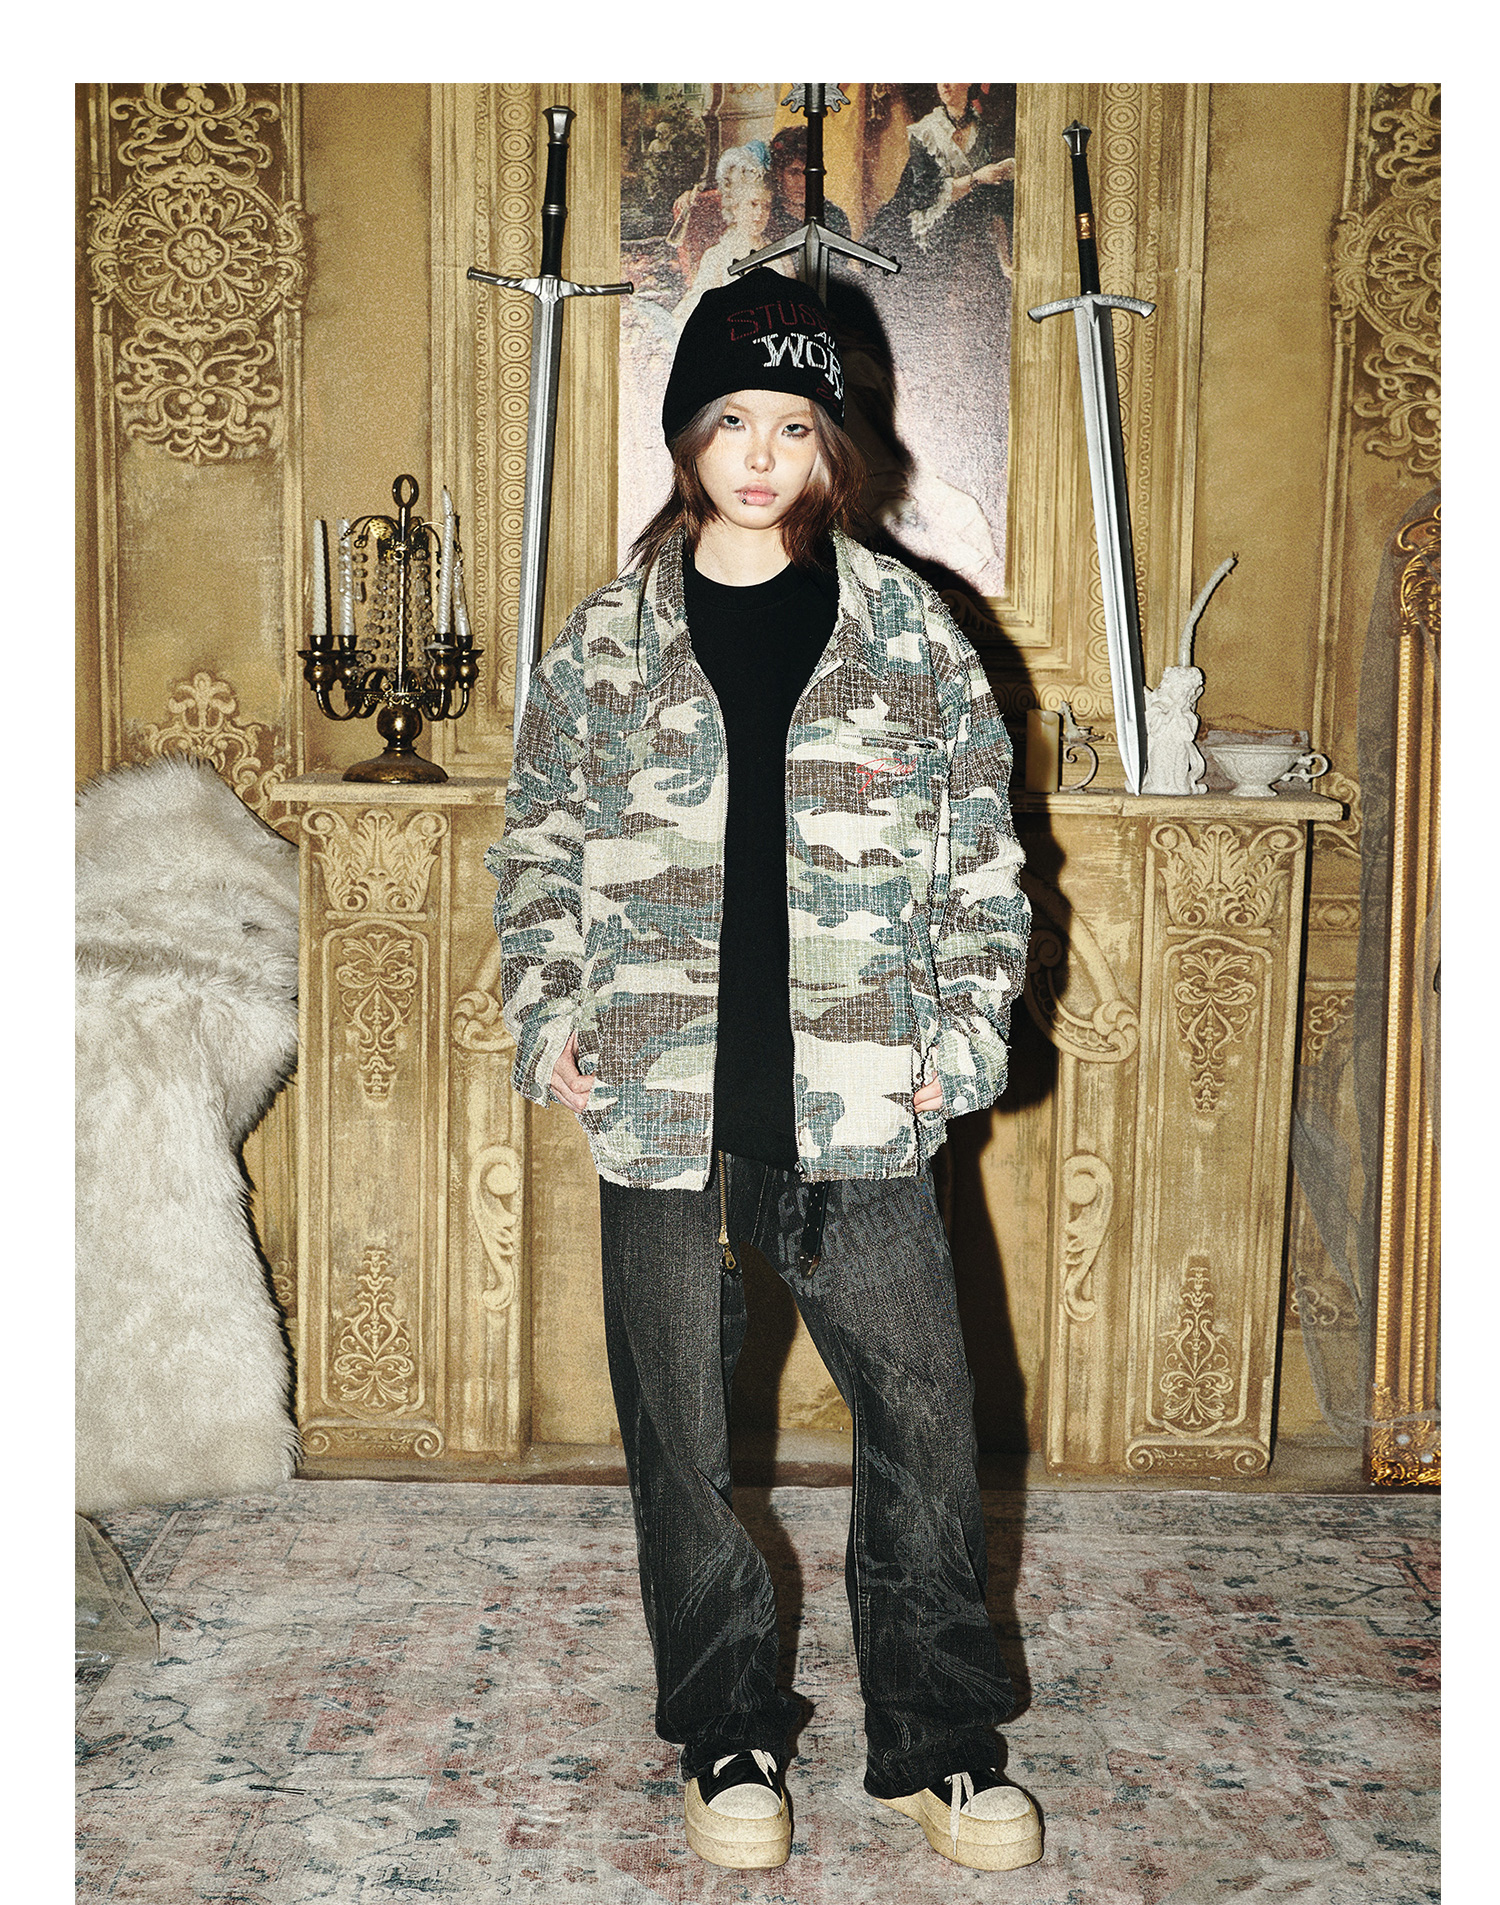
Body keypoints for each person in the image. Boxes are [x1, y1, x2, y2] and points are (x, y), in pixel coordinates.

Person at [487, 268, 1039, 1876]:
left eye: (792, 426)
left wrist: (961, 1034)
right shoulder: (606, 639)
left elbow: (986, 858)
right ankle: (726, 1723)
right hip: (662, 1093)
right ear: (687, 435)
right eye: (730, 420)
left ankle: (938, 1737)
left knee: (924, 1415)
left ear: (831, 446)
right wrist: (549, 1003)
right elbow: (536, 840)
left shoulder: (910, 632)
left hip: (863, 1092)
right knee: (677, 1426)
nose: (757, 455)